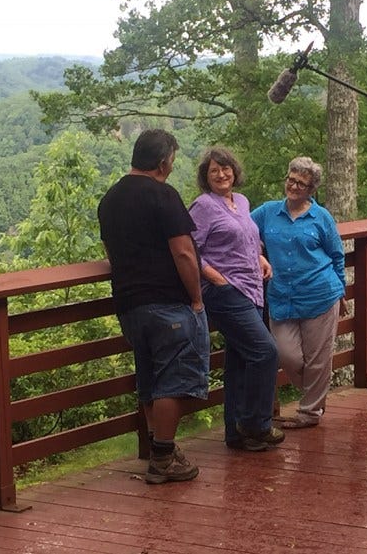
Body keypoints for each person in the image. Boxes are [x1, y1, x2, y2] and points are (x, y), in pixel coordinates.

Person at [97, 129, 210, 485]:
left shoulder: (110, 199)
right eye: (172, 161)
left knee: (150, 379)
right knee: (174, 383)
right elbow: (183, 252)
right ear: (163, 163)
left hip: (130, 305)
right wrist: (195, 297)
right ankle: (162, 457)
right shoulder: (163, 195)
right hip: (167, 303)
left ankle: (161, 447)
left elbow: (110, 253)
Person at [188, 147, 283, 452]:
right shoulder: (202, 206)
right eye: (214, 170)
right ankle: (257, 424)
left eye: (225, 168)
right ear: (206, 176)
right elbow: (191, 251)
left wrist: (260, 257)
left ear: (234, 171)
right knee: (265, 352)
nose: (221, 174)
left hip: (252, 287)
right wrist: (215, 278)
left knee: (241, 361)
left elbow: (246, 238)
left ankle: (236, 433)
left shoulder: (241, 201)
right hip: (225, 292)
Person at [251, 157, 347, 429]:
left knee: (318, 358)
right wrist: (257, 253)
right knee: (286, 354)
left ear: (311, 189)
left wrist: (342, 291)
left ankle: (310, 412)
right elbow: (241, 231)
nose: (293, 186)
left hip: (321, 293)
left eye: (301, 184)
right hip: (282, 295)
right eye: (290, 180)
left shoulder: (322, 217)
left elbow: (336, 255)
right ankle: (317, 393)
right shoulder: (268, 212)